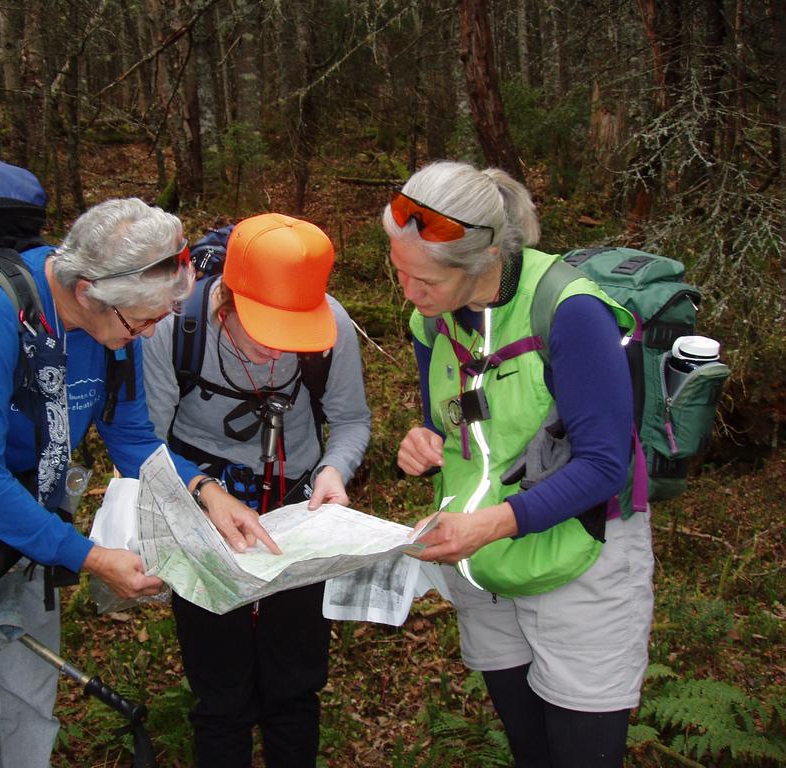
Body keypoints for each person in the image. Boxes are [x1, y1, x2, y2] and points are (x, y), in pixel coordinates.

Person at [0, 198, 279, 768]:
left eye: (160, 319)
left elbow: (133, 439)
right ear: (87, 291)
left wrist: (209, 493)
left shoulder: (116, 328)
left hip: (30, 527)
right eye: (142, 322)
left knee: (30, 707)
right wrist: (89, 557)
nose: (148, 334)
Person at [387, 162, 654, 767]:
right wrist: (424, 441)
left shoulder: (569, 311)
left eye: (423, 279)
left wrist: (489, 524)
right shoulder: (429, 321)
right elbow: (456, 418)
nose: (408, 293)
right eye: (398, 271)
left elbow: (605, 464)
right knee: (530, 750)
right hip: (483, 566)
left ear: (480, 263)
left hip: (580, 562)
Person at [142, 213, 371, 767]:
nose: (278, 353)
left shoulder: (331, 326)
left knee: (294, 682)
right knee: (220, 690)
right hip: (202, 507)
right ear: (228, 301)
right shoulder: (174, 327)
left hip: (297, 507)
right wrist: (203, 489)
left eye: (295, 332)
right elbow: (143, 440)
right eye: (267, 331)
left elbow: (350, 420)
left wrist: (333, 470)